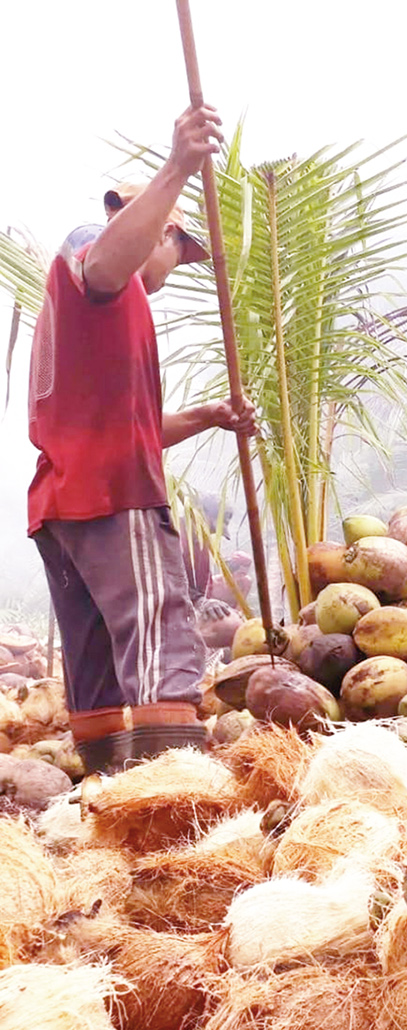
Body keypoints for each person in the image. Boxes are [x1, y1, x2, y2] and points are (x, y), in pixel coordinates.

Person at [27, 105, 257, 775]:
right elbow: (104, 261)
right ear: (162, 230)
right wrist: (180, 165)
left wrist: (209, 415)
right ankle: (173, 799)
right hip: (112, 497)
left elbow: (138, 432)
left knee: (97, 663)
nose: (174, 269)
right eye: (179, 252)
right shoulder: (96, 260)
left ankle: (108, 792)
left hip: (66, 503)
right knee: (161, 637)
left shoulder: (102, 318)